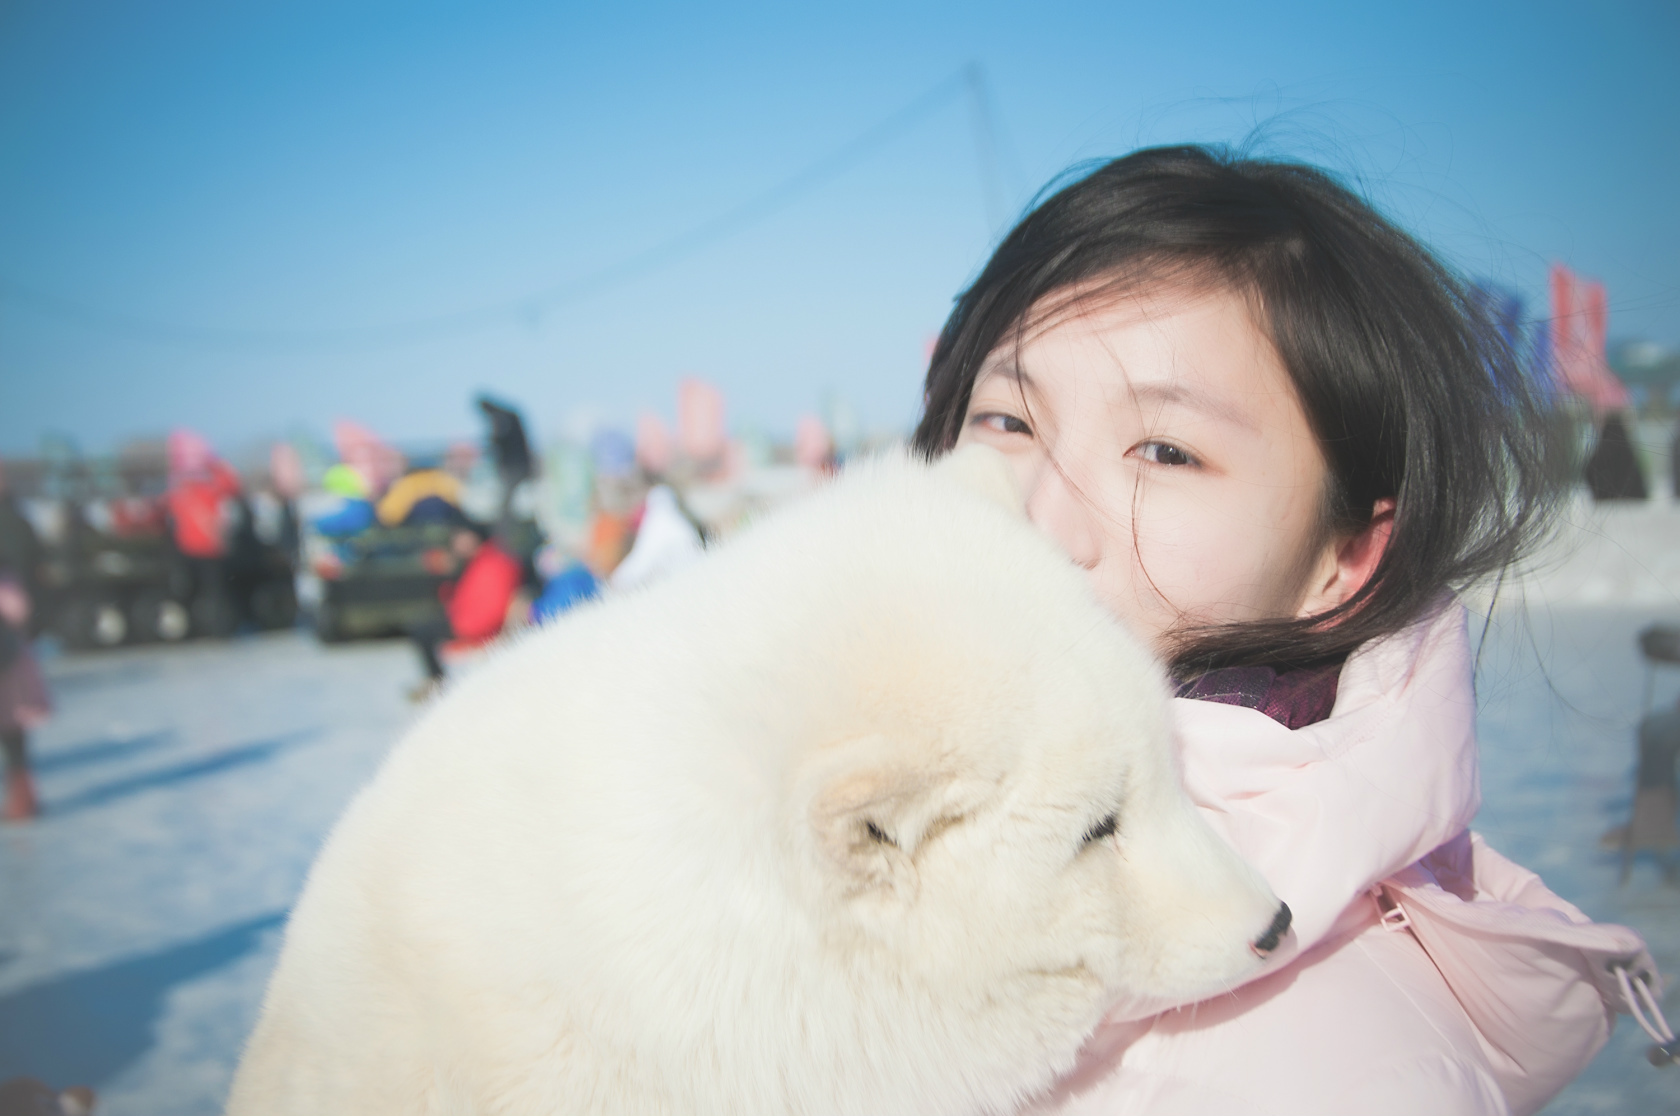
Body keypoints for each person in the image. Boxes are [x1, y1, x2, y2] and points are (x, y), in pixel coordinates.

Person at [913, 146, 1663, 1115]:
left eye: (1166, 451)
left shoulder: (1333, 1067)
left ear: (1346, 558)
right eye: (1008, 421)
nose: (1045, 519)